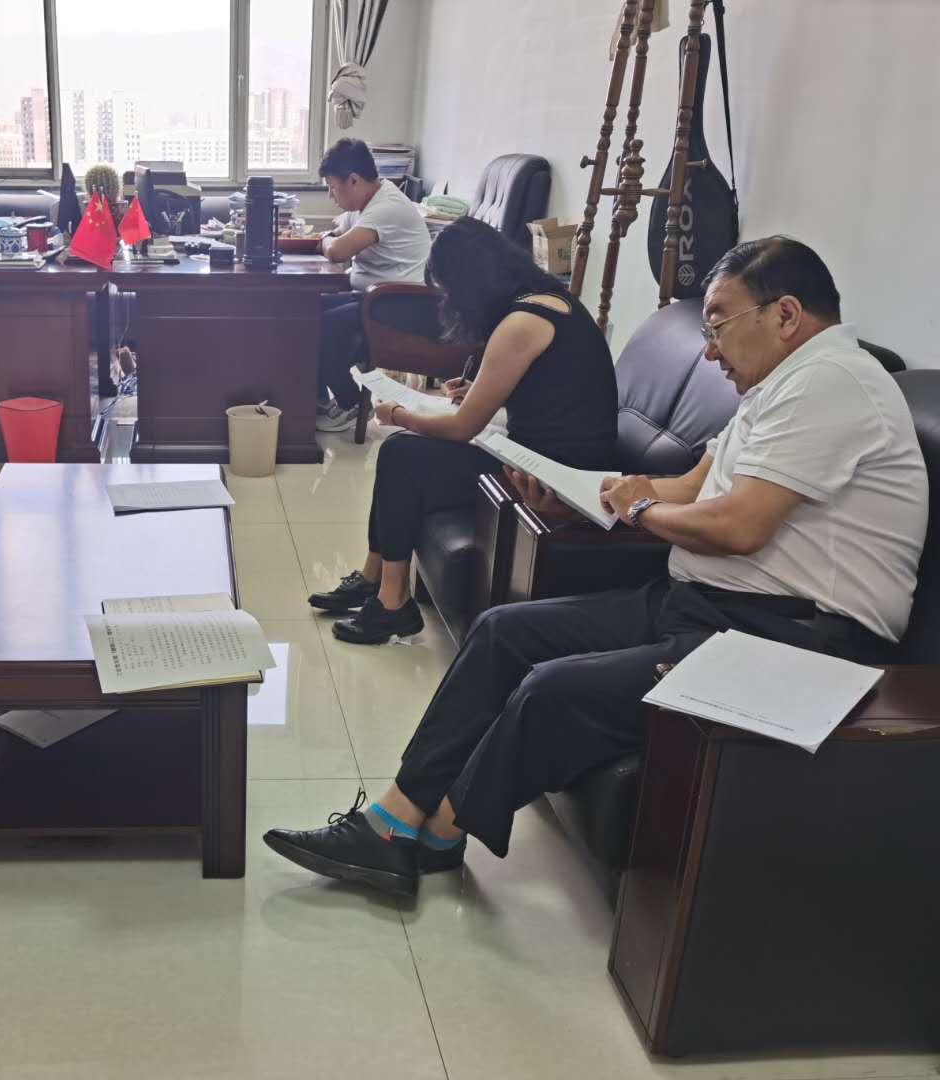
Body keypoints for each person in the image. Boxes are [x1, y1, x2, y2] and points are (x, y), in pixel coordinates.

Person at [266, 236, 928, 898]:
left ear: (785, 314)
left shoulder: (831, 382)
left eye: (718, 324)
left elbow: (738, 526)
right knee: (502, 632)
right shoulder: (778, 384)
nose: (709, 351)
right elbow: (689, 486)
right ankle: (397, 821)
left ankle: (434, 831)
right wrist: (595, 494)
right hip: (705, 608)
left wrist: (638, 509)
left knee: (551, 690)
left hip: (796, 642)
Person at [309, 216, 619, 644]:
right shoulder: (547, 300)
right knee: (406, 454)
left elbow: (461, 427)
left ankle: (392, 604)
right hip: (549, 453)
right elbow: (553, 392)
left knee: (401, 451)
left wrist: (397, 414)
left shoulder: (521, 322)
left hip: (554, 472)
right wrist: (480, 390)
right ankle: (373, 578)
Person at [314, 138, 435, 432]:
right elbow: (336, 232)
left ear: (353, 180)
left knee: (321, 325)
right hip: (375, 299)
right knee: (306, 309)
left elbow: (337, 249)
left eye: (333, 187)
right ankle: (316, 399)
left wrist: (326, 240)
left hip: (402, 305)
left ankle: (353, 403)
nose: (331, 195)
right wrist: (329, 238)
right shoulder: (366, 204)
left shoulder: (386, 207)